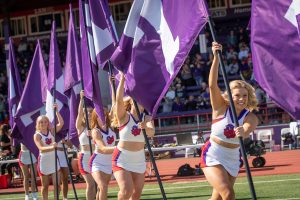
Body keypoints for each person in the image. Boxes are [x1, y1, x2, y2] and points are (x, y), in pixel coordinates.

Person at [200, 42, 259, 200]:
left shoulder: (250, 116)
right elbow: (212, 85)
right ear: (230, 96)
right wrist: (216, 57)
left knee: (218, 198)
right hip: (214, 153)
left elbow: (248, 128)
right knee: (228, 194)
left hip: (233, 156)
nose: (241, 99)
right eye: (237, 95)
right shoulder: (220, 107)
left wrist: (243, 131)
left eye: (244, 96)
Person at [112, 73, 155, 200]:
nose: (141, 102)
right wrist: (123, 80)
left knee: (136, 194)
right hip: (122, 157)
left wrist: (146, 127)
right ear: (131, 101)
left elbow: (152, 132)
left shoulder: (147, 118)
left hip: (139, 159)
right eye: (137, 99)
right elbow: (118, 101)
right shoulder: (124, 116)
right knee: (126, 191)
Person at [33, 103, 64, 200]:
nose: (43, 124)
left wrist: (56, 111)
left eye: (45, 122)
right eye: (41, 122)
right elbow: (41, 148)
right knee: (45, 186)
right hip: (44, 161)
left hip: (54, 160)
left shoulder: (51, 130)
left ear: (47, 123)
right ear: (38, 124)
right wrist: (52, 147)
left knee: (57, 185)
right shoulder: (37, 135)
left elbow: (61, 123)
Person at [89, 108, 116, 200]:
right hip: (97, 163)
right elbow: (103, 149)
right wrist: (120, 148)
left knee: (101, 189)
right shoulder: (95, 131)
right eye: (99, 116)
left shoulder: (111, 127)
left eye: (104, 115)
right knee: (103, 187)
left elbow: (115, 105)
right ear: (95, 118)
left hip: (109, 163)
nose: (102, 117)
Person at [76, 90, 96, 200]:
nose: (88, 114)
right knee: (91, 184)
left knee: (98, 185)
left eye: (90, 112)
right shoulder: (80, 127)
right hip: (85, 157)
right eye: (86, 112)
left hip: (96, 156)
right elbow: (79, 114)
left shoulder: (96, 127)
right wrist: (81, 100)